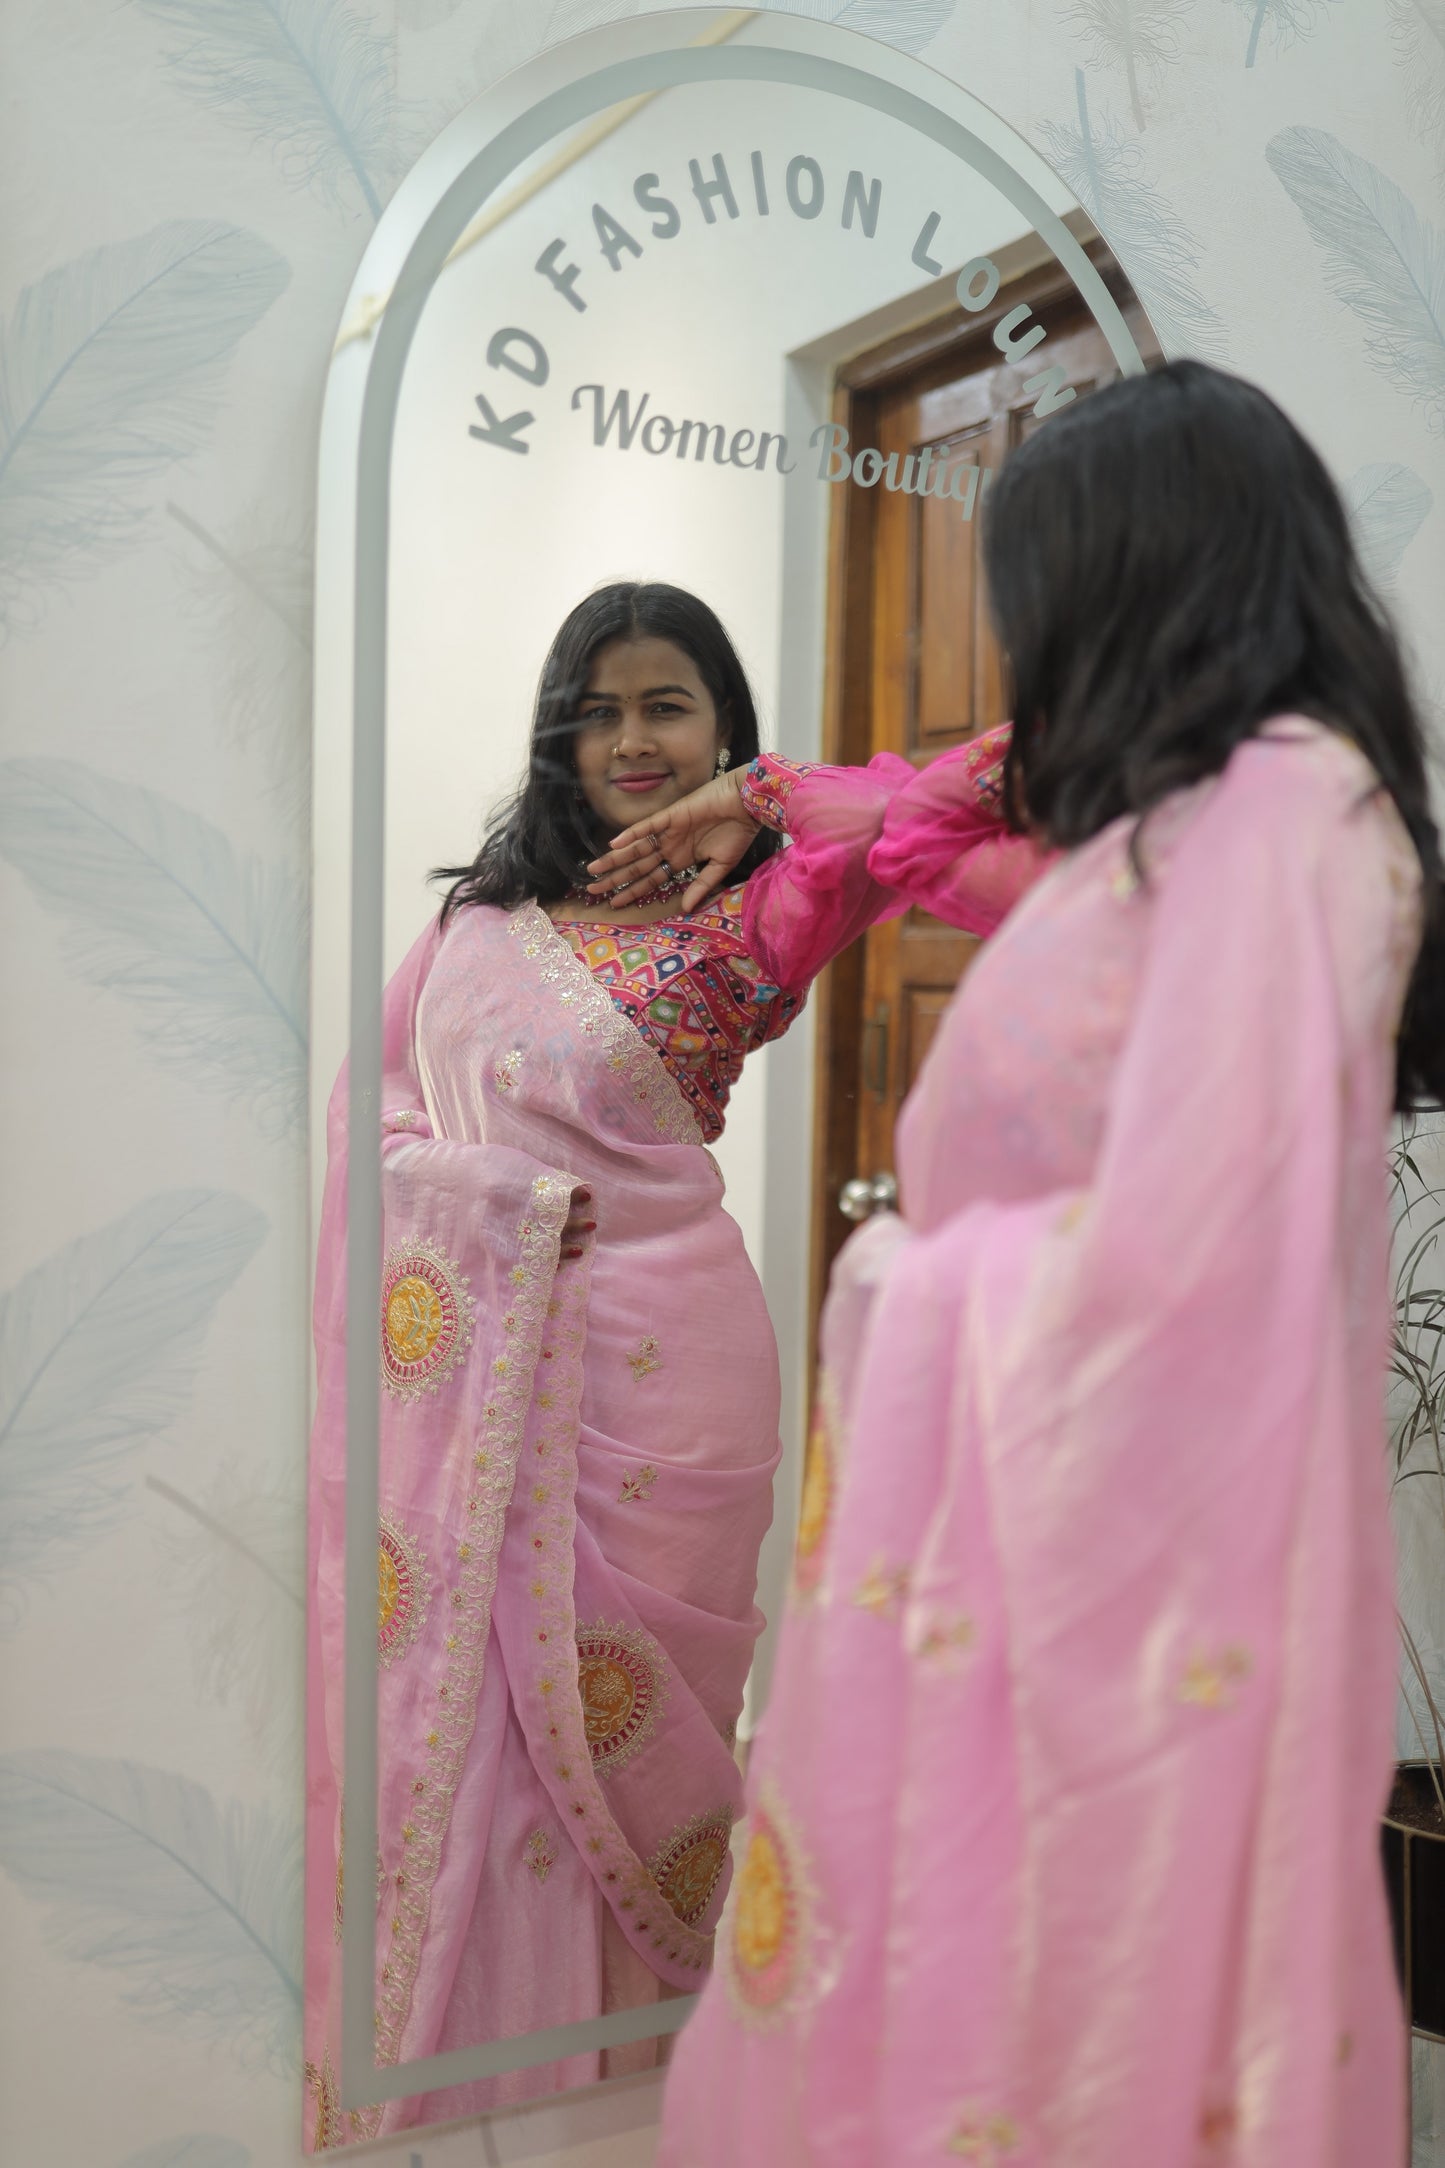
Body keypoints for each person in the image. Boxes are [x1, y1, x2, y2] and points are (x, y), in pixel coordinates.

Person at [639, 362, 1445, 2167]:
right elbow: (923, 833)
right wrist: (773, 794)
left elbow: (1190, 1254)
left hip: (1138, 1587)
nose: (1032, 647)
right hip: (1071, 1562)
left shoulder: (1290, 811)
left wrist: (903, 1289)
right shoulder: (1168, 836)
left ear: (1142, 578)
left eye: (1044, 595)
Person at [301, 581, 1039, 2147]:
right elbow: (375, 1121)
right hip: (499, 1356)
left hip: (669, 1380)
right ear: (557, 732)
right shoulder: (475, 923)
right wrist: (488, 1201)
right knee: (487, 1741)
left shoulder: (769, 904)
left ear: (721, 726)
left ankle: (634, 2101)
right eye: (601, 710)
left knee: (639, 1733)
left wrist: (761, 798)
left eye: (668, 707)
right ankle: (483, 2079)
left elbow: (976, 787)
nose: (632, 740)